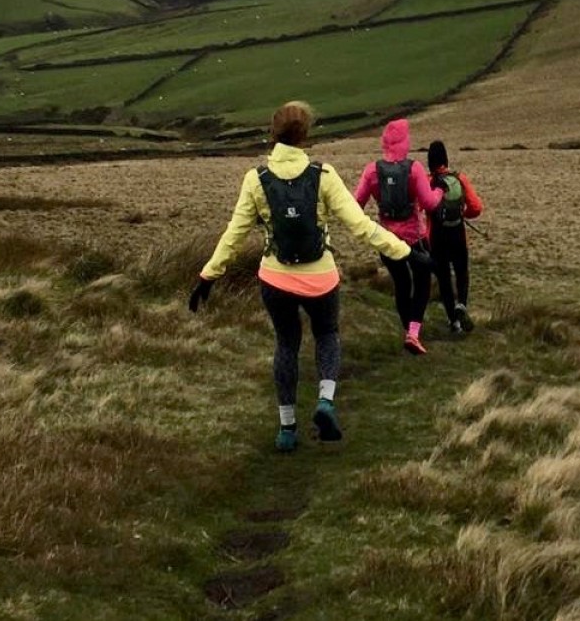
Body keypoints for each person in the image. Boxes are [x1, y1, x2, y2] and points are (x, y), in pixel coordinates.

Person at [188, 101, 425, 453]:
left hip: (276, 279)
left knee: (286, 344)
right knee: (327, 334)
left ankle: (286, 428)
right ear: (306, 134)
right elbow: (361, 227)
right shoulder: (323, 175)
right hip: (321, 279)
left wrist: (208, 275)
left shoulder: (256, 180)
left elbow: (234, 235)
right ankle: (325, 401)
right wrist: (407, 253)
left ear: (273, 133)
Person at [354, 119, 443, 355]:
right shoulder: (413, 169)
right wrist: (440, 190)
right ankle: (413, 332)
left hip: (386, 239)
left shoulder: (372, 170)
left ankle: (408, 332)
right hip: (414, 237)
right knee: (422, 282)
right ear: (405, 142)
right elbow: (429, 202)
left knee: (402, 284)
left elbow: (356, 204)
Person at [425, 140, 485, 334]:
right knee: (462, 274)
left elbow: (420, 208)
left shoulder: (428, 182)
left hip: (436, 237)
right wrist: (462, 214)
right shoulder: (460, 179)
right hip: (458, 234)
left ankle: (453, 322)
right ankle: (462, 305)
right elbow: (476, 207)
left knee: (444, 279)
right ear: (446, 158)